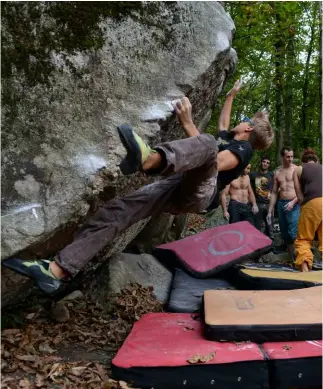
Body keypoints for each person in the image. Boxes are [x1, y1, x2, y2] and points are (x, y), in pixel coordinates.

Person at [3, 80, 274, 294]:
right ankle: (57, 270)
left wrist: (188, 123)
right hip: (178, 186)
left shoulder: (244, 149)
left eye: (247, 120)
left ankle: (151, 159)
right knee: (119, 210)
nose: (241, 121)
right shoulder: (232, 137)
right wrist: (231, 95)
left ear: (249, 129)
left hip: (202, 192)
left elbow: (213, 163)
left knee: (205, 144)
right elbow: (224, 124)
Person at [267, 147, 300, 260]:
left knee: (293, 232)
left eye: (292, 156)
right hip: (281, 204)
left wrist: (293, 201)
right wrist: (270, 210)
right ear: (282, 157)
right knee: (285, 234)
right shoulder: (277, 172)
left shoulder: (297, 169)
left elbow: (303, 190)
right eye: (288, 157)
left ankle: (301, 258)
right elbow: (275, 192)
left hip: (295, 204)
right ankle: (292, 260)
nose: (290, 159)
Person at [293, 148, 322, 272]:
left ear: (303, 161)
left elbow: (299, 196)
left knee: (304, 238)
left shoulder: (299, 169)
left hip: (312, 202)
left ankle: (305, 270)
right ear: (316, 160)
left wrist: (303, 208)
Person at [249, 156, 274, 237]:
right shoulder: (253, 174)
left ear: (269, 165)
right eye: (264, 162)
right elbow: (248, 189)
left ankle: (270, 248)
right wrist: (252, 203)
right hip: (257, 204)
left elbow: (275, 190)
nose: (265, 164)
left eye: (267, 163)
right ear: (261, 162)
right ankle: (257, 247)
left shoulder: (271, 175)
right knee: (256, 228)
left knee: (270, 228)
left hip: (269, 205)